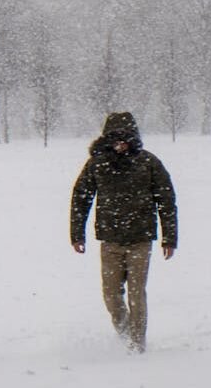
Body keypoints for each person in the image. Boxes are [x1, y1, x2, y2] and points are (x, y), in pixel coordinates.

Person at [70, 111, 178, 353]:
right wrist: (77, 234)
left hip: (141, 241)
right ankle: (126, 332)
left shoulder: (149, 163)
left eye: (125, 137)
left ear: (133, 138)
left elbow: (167, 201)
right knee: (111, 296)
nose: (120, 142)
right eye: (115, 138)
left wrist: (169, 238)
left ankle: (137, 344)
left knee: (136, 294)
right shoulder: (97, 164)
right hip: (110, 242)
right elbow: (81, 198)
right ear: (106, 139)